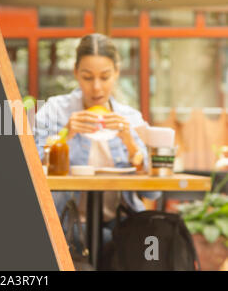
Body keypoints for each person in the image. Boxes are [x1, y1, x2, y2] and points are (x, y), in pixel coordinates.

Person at [34, 33, 161, 245]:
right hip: (65, 226)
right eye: (87, 77)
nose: (96, 88)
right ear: (76, 73)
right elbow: (32, 171)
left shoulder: (129, 118)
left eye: (104, 77)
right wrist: (65, 134)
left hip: (122, 224)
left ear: (117, 73)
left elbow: (152, 191)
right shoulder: (55, 110)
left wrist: (130, 143)